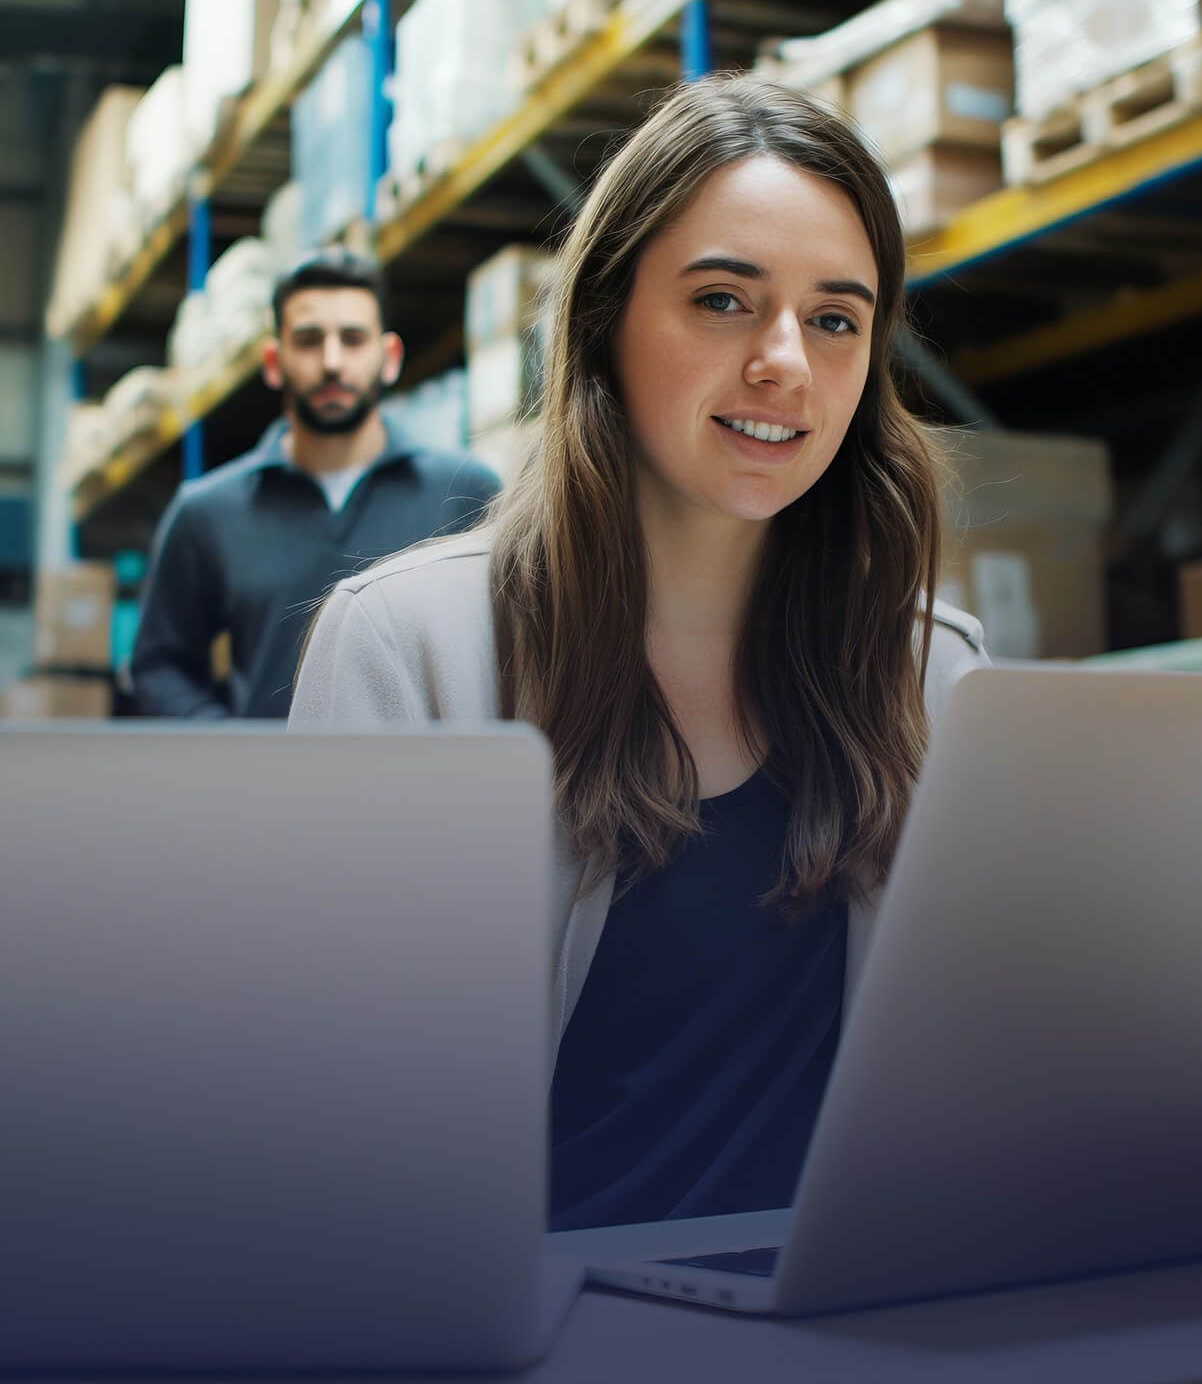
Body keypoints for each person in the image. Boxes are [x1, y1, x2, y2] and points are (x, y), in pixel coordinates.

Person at [289, 77, 990, 1227]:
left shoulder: (932, 679)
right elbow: (320, 1125)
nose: (784, 363)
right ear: (603, 319)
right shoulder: (406, 649)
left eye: (834, 319)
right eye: (722, 300)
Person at [132, 248, 501, 719]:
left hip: (421, 786)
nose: (331, 361)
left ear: (388, 357)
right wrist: (228, 748)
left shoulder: (465, 494)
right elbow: (159, 667)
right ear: (273, 361)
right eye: (308, 340)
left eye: (352, 339)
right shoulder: (207, 512)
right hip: (268, 788)